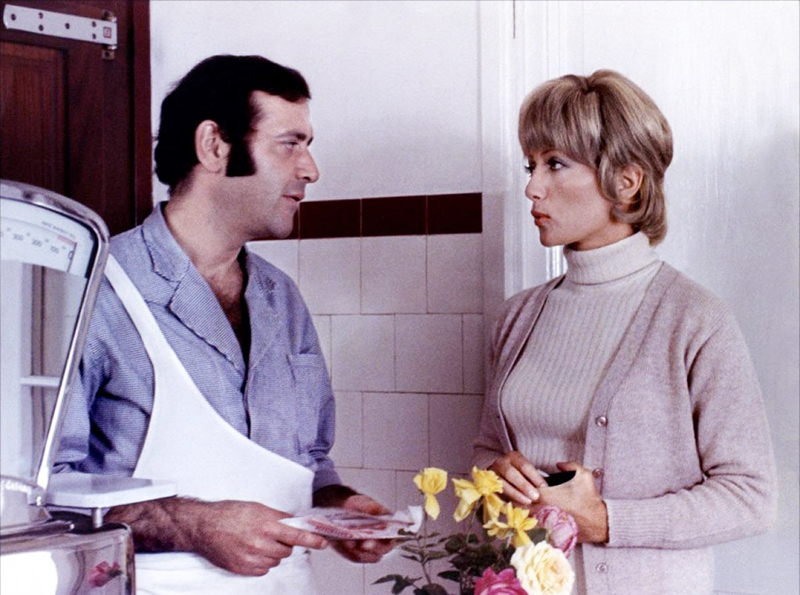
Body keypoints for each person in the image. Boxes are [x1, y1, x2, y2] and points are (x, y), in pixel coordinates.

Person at [56, 54, 393, 594]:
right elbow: (42, 493)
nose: (310, 169)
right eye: (290, 143)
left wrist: (339, 507)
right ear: (213, 145)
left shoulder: (282, 298)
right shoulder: (92, 290)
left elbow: (308, 461)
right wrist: (192, 524)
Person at [473, 70, 777, 594]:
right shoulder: (515, 318)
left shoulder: (694, 319)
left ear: (626, 180)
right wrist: (495, 477)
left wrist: (604, 520)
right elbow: (484, 451)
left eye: (555, 164)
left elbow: (751, 497)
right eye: (531, 165)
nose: (532, 187)